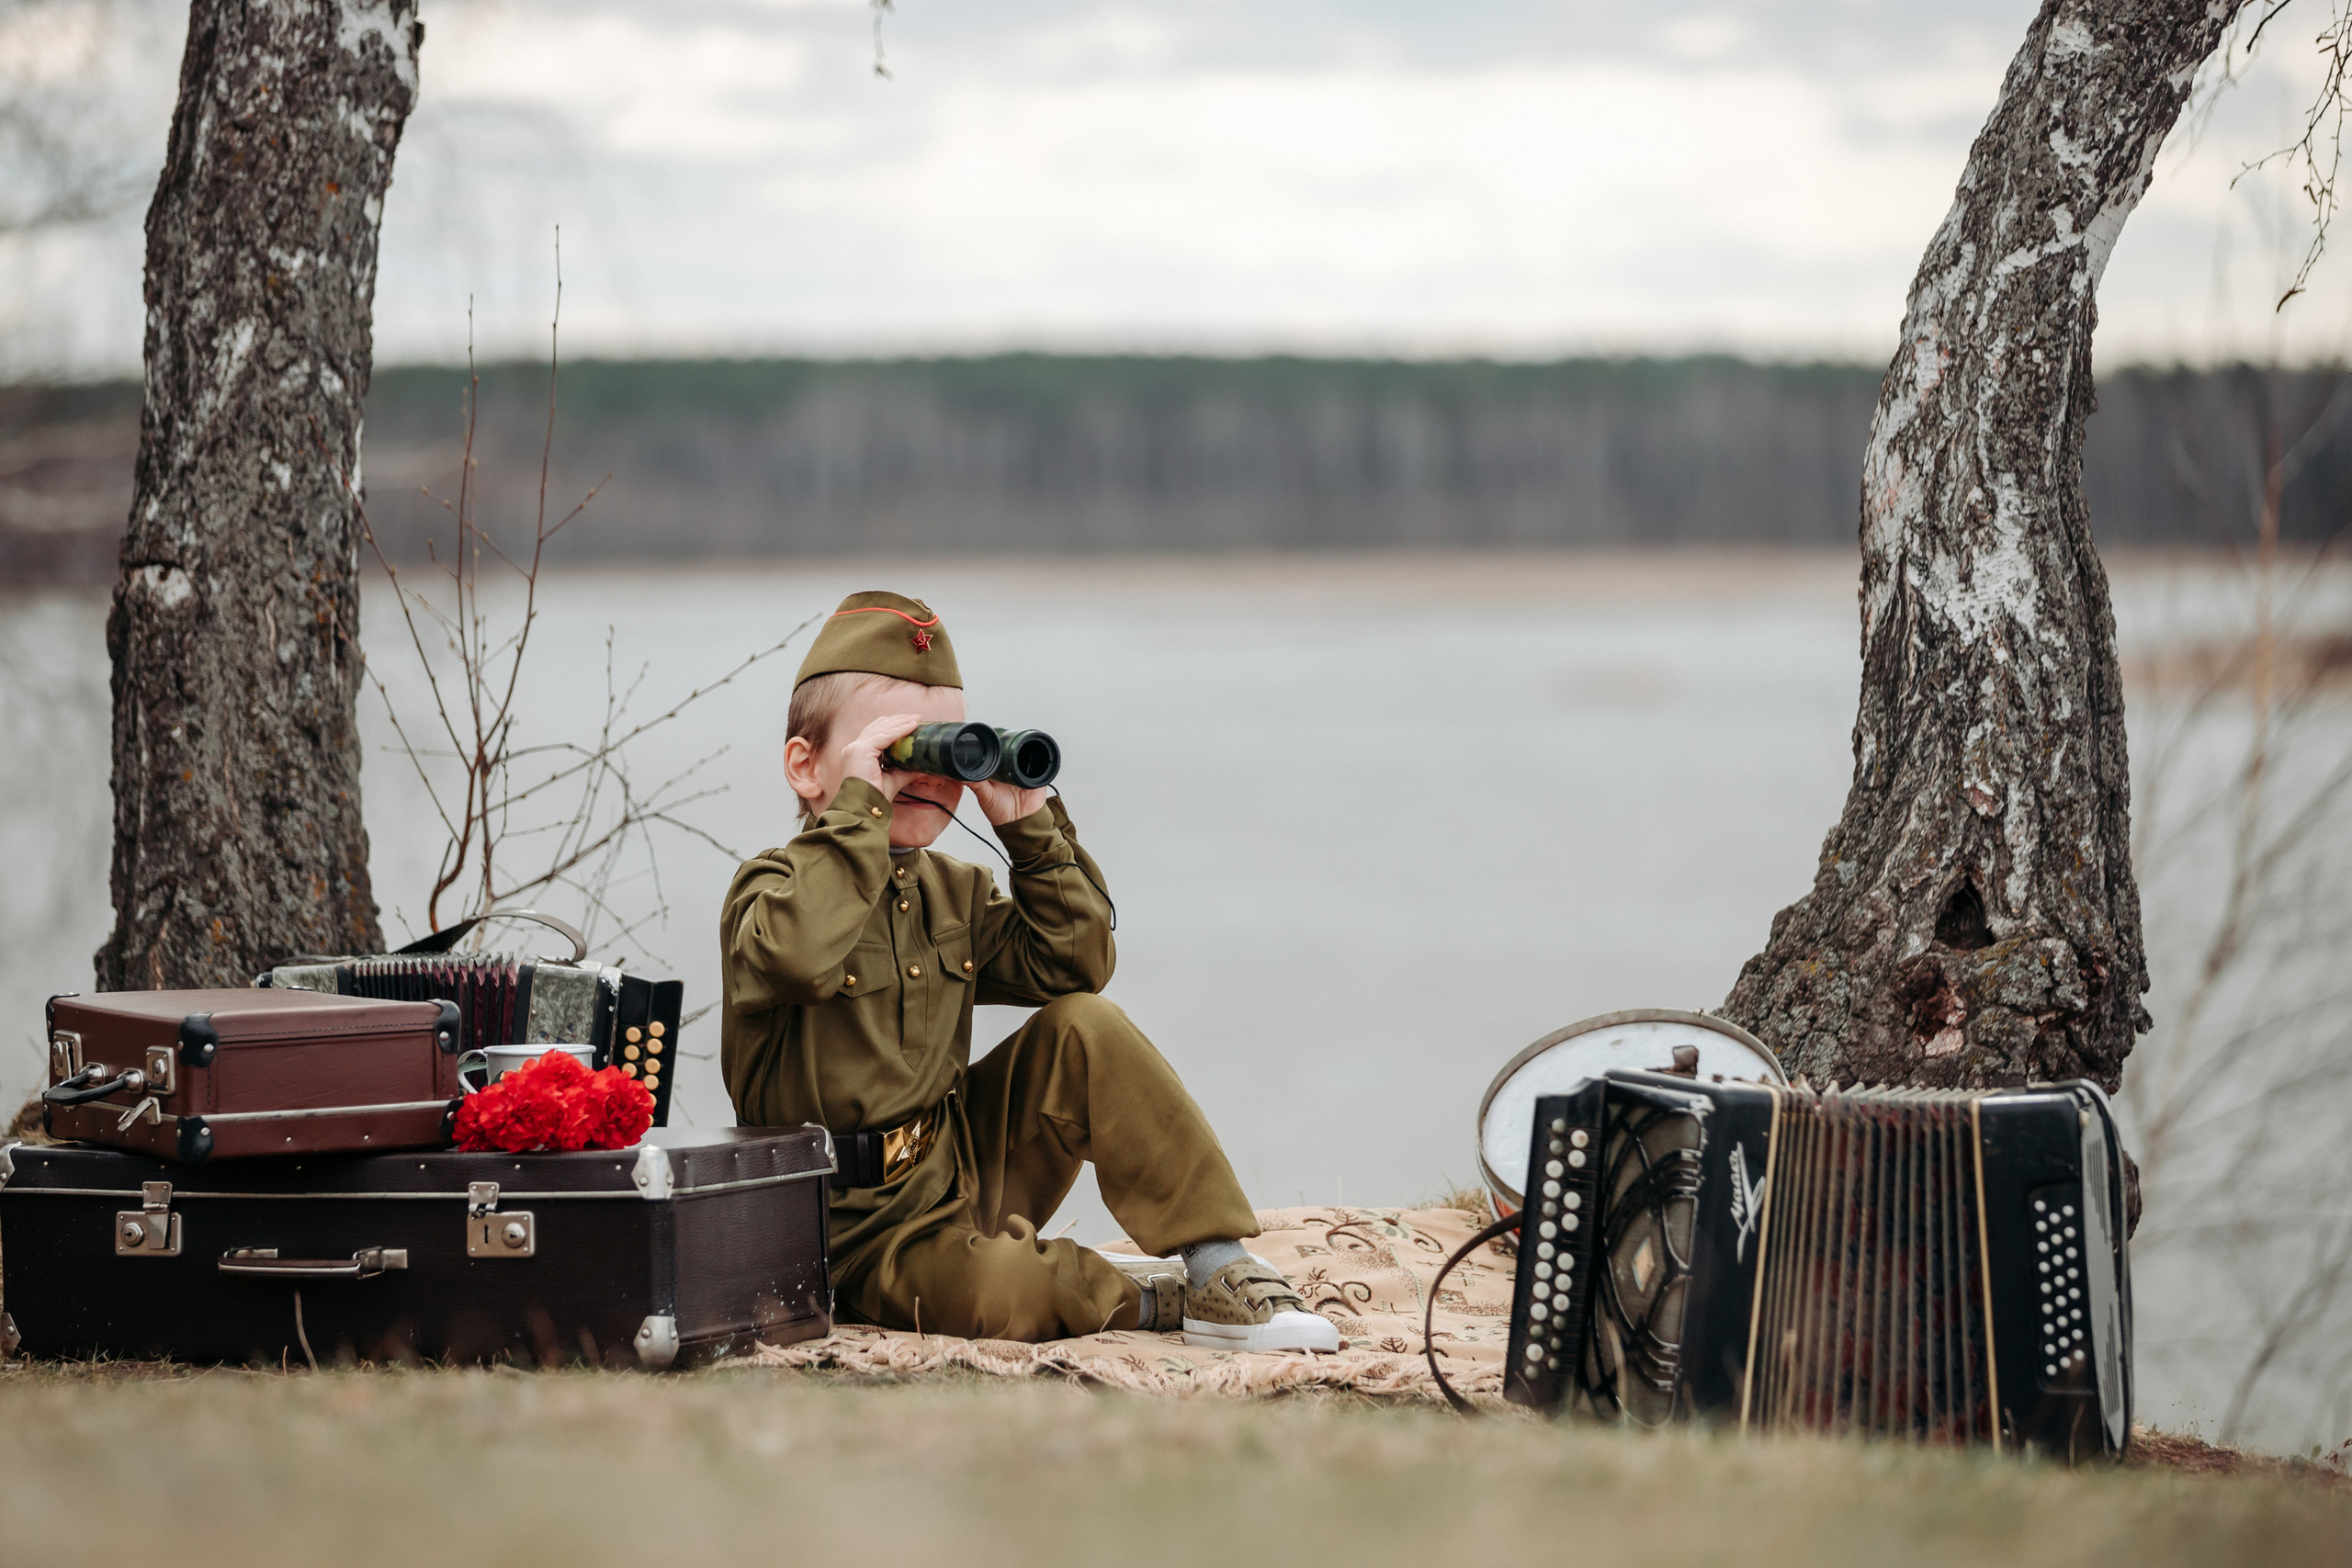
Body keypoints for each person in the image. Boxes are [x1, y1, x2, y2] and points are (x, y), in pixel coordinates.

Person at [720, 590, 1339, 1351]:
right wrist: (859, 812)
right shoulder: (769, 891)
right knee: (1004, 1291)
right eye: (895, 752)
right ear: (807, 766)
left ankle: (1218, 1265)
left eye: (948, 747)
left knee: (1087, 1027)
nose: (927, 771)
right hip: (841, 1230)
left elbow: (1077, 958)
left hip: (959, 1171)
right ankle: (1149, 1300)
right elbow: (798, 952)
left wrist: (1029, 827)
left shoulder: (950, 891)